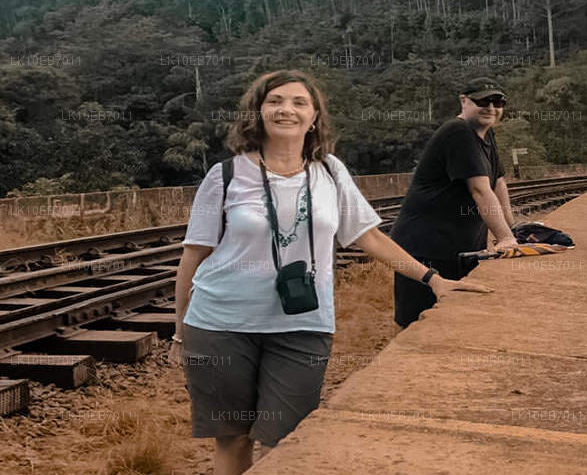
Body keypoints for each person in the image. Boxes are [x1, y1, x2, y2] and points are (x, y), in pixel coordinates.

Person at [170, 70, 491, 475]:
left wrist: (433, 279)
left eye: (299, 102)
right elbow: (194, 256)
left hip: (303, 325)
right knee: (232, 439)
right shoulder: (226, 176)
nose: (286, 109)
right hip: (220, 324)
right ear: (258, 112)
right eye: (275, 101)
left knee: (286, 438)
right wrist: (180, 330)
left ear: (314, 117)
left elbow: (369, 237)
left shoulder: (330, 172)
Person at [389, 76, 519, 329]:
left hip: (457, 248)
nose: (491, 108)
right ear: (463, 101)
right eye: (482, 101)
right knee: (420, 325)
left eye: (497, 102)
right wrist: (504, 238)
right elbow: (480, 190)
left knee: (453, 320)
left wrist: (513, 230)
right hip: (426, 248)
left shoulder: (485, 134)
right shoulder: (458, 132)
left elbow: (497, 183)